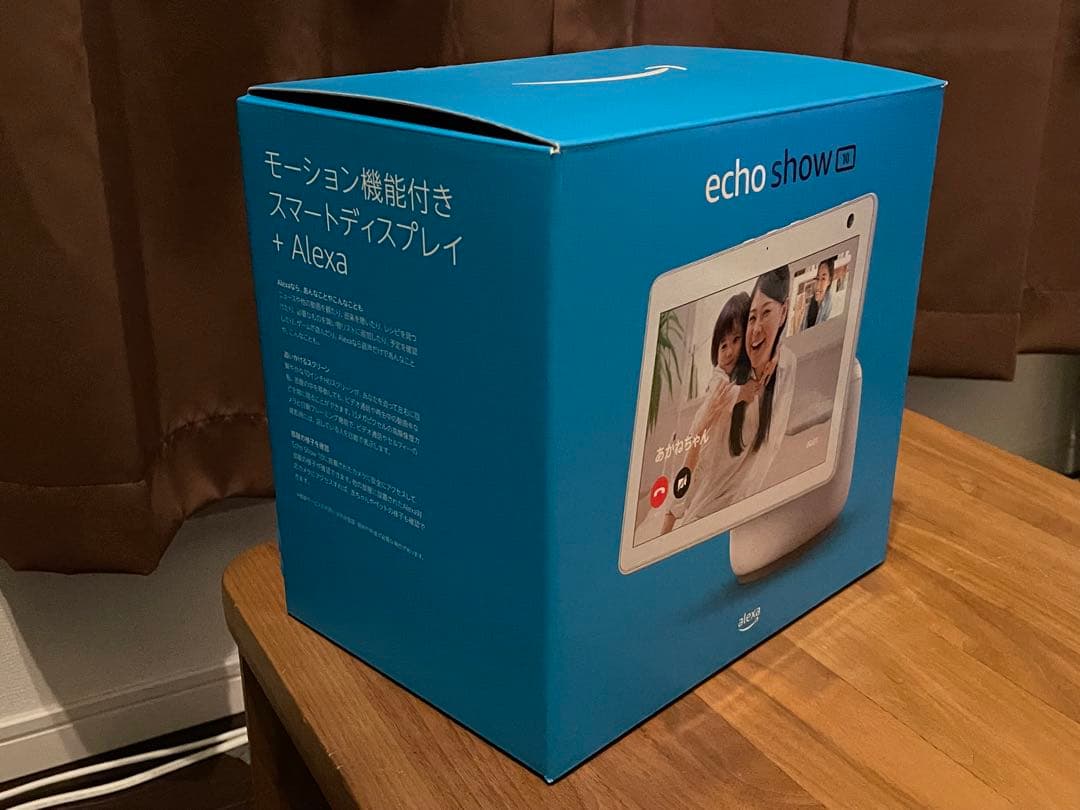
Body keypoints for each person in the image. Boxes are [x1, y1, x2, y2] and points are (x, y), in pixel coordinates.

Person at [659, 270, 796, 533]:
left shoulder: (775, 371)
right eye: (723, 345)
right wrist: (743, 393)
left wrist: (776, 354)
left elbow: (778, 346)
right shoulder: (721, 378)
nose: (730, 349)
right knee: (684, 489)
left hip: (720, 492)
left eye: (736, 340)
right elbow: (720, 396)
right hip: (701, 468)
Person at [802, 258, 834, 330]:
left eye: (823, 279)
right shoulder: (811, 302)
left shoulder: (829, 306)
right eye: (817, 278)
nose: (818, 284)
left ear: (829, 281)